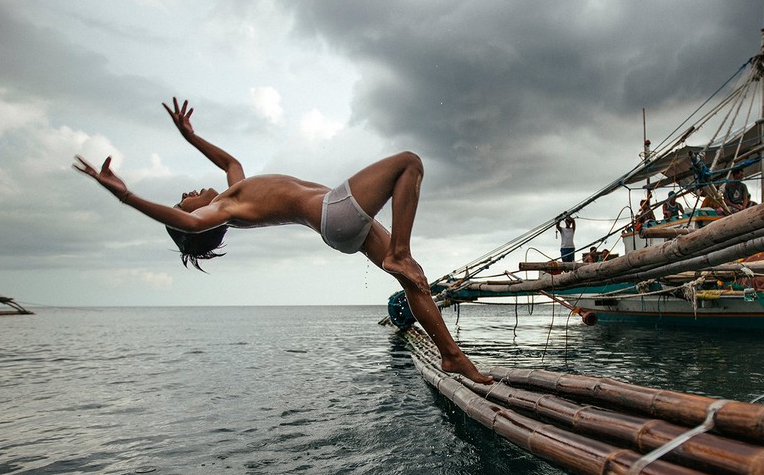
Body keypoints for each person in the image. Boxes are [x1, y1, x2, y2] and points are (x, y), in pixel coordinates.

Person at [73, 97, 492, 385]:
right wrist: (126, 195)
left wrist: (191, 137)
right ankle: (399, 253)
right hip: (333, 210)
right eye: (184, 200)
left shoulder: (232, 194)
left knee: (413, 279)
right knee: (409, 163)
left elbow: (231, 162)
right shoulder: (218, 212)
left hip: (340, 225)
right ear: (190, 216)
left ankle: (452, 356)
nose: (187, 192)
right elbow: (185, 219)